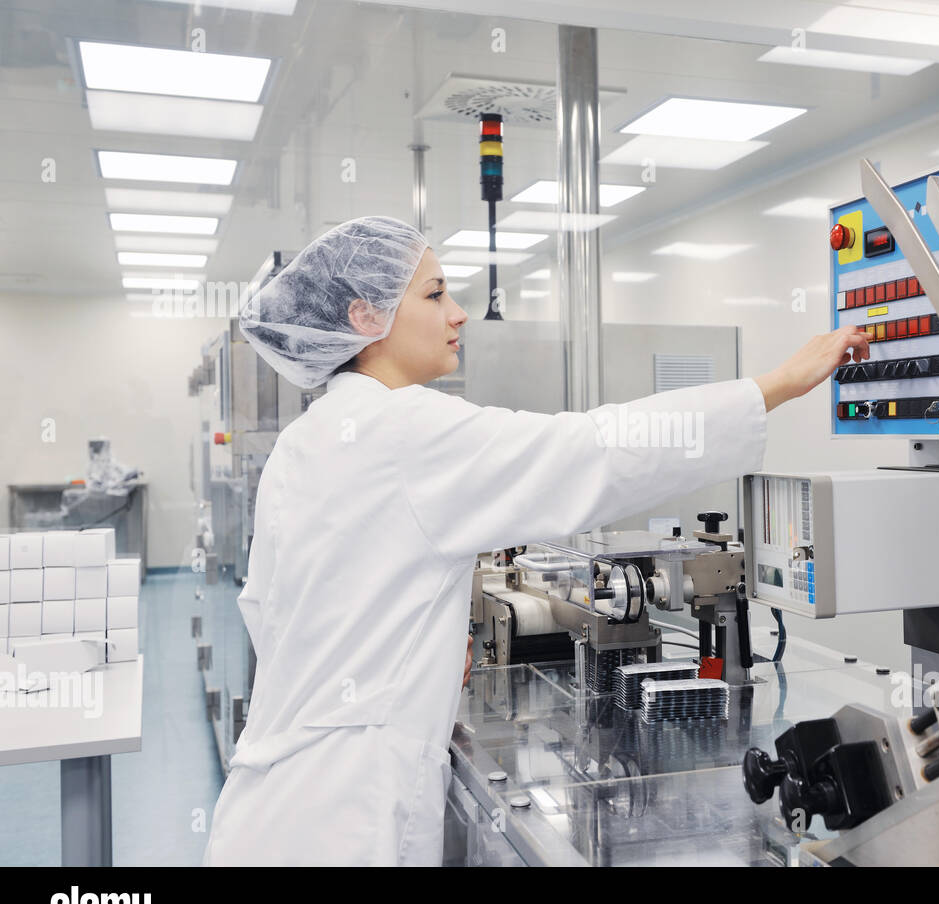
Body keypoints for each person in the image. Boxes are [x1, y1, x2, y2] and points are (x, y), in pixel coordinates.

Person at [203, 216, 869, 865]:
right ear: (365, 317)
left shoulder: (305, 442)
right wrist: (776, 386)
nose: (458, 313)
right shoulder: (404, 428)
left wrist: (410, 662)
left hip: (267, 804)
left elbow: (272, 611)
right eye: (435, 294)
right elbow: (593, 450)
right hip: (348, 815)